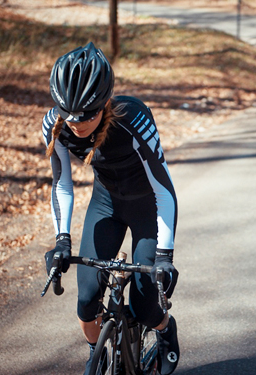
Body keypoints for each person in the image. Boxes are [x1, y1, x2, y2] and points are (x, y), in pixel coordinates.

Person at [42, 42, 180, 375]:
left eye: (86, 114)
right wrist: (62, 241)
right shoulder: (55, 126)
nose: (77, 124)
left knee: (146, 306)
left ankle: (164, 328)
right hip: (106, 203)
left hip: (148, 206)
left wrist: (165, 257)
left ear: (105, 103)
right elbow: (62, 183)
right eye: (69, 114)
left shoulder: (133, 120)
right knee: (87, 300)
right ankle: (98, 348)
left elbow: (164, 190)